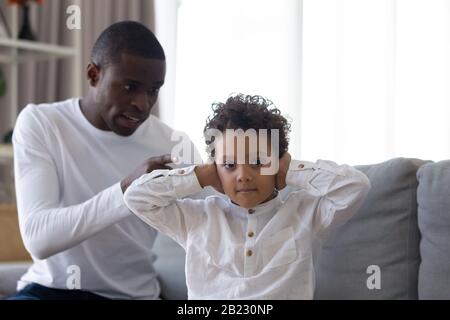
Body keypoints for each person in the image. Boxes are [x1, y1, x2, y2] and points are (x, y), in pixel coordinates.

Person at [8, 21, 200, 300]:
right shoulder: (42, 123)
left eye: (153, 90)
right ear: (93, 74)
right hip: (50, 291)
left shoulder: (173, 145)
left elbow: (220, 225)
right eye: (130, 87)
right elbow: (39, 239)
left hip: (134, 297)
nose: (142, 104)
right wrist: (126, 190)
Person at [123, 94, 371, 299]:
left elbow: (355, 186)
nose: (243, 175)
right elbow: (136, 197)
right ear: (215, 168)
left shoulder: (305, 212)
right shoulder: (196, 217)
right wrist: (200, 175)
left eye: (258, 162)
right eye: (230, 165)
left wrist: (291, 169)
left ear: (277, 163)